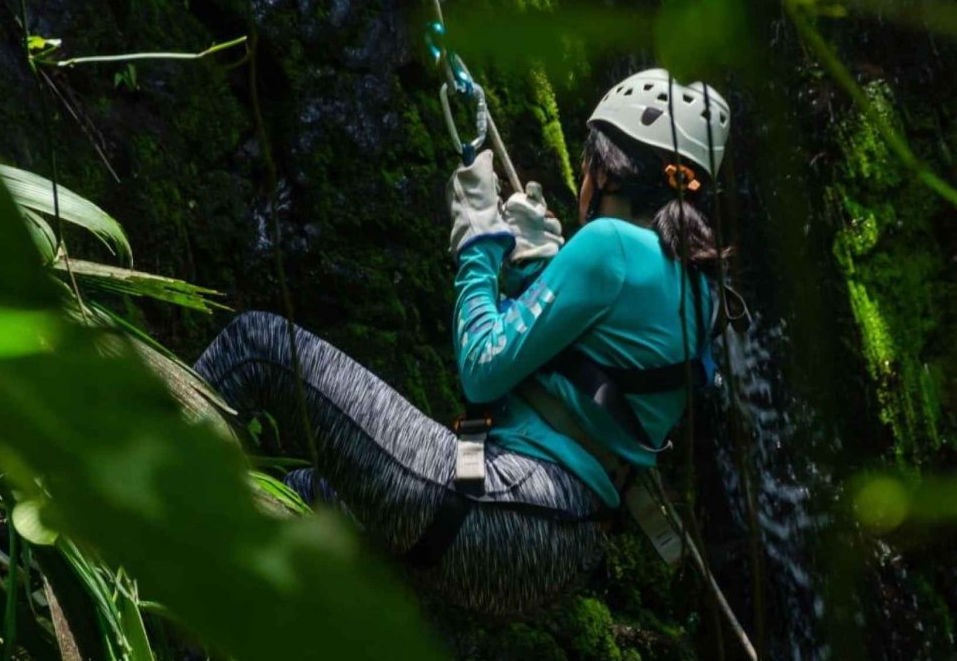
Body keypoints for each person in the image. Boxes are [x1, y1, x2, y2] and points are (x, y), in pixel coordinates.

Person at [194, 68, 731, 613]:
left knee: (257, 345)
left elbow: (482, 366)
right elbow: (580, 371)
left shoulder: (609, 244)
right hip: (552, 551)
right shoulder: (700, 288)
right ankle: (200, 625)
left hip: (502, 509)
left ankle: (127, 498)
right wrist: (533, 273)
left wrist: (477, 241)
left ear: (607, 171)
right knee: (308, 497)